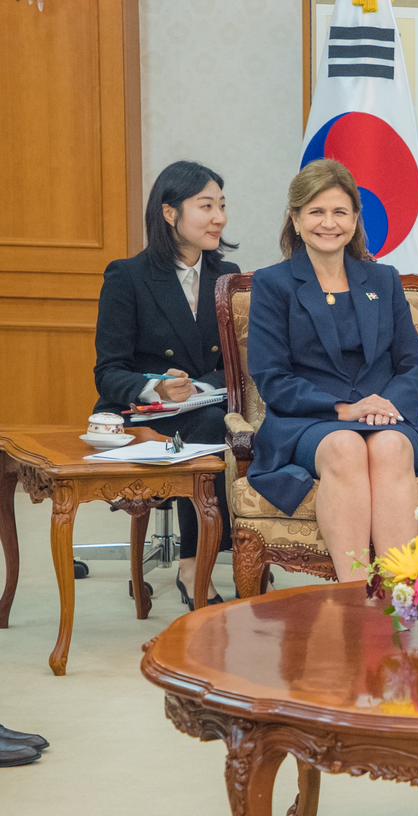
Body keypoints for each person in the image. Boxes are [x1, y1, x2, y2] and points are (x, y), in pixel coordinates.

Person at [247, 159, 418, 581]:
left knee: (391, 447)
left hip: (385, 414)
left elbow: (412, 362)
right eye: (316, 212)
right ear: (296, 220)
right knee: (345, 447)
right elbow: (272, 377)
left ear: (355, 219)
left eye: (340, 212)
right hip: (311, 421)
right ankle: (353, 595)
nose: (329, 223)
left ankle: (398, 591)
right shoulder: (273, 284)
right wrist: (343, 409)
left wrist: (386, 405)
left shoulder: (382, 280)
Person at [93, 160, 236, 609]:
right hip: (144, 414)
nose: (219, 218)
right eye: (206, 206)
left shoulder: (228, 277)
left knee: (230, 421)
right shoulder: (128, 276)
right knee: (214, 426)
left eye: (222, 206)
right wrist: (156, 388)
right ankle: (194, 564)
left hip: (206, 404)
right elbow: (108, 371)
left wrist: (198, 387)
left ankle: (238, 549)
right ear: (170, 213)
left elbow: (238, 366)